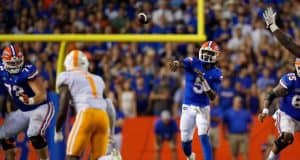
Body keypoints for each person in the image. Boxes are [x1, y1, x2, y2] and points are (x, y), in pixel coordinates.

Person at [169, 41, 223, 160]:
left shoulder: (217, 73)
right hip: (188, 106)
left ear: (216, 55)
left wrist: (204, 82)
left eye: (210, 53)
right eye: (205, 52)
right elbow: (182, 63)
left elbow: (213, 97)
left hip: (203, 107)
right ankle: (190, 156)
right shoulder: (193, 62)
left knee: (203, 136)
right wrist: (175, 63)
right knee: (185, 142)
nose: (207, 55)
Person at [0, 44, 54, 160]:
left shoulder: (27, 71)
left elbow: (42, 95)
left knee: (34, 134)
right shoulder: (1, 70)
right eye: (12, 63)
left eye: (17, 62)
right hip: (23, 110)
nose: (15, 65)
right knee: (3, 135)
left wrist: (30, 100)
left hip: (40, 107)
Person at [55, 50, 109, 160]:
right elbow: (107, 103)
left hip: (87, 114)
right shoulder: (98, 79)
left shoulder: (66, 76)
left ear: (67, 64)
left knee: (72, 157)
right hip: (103, 117)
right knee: (98, 158)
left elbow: (63, 108)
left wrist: (58, 129)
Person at [258, 58, 300, 160]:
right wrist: (265, 111)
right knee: (286, 137)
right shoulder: (290, 80)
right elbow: (271, 94)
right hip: (287, 115)